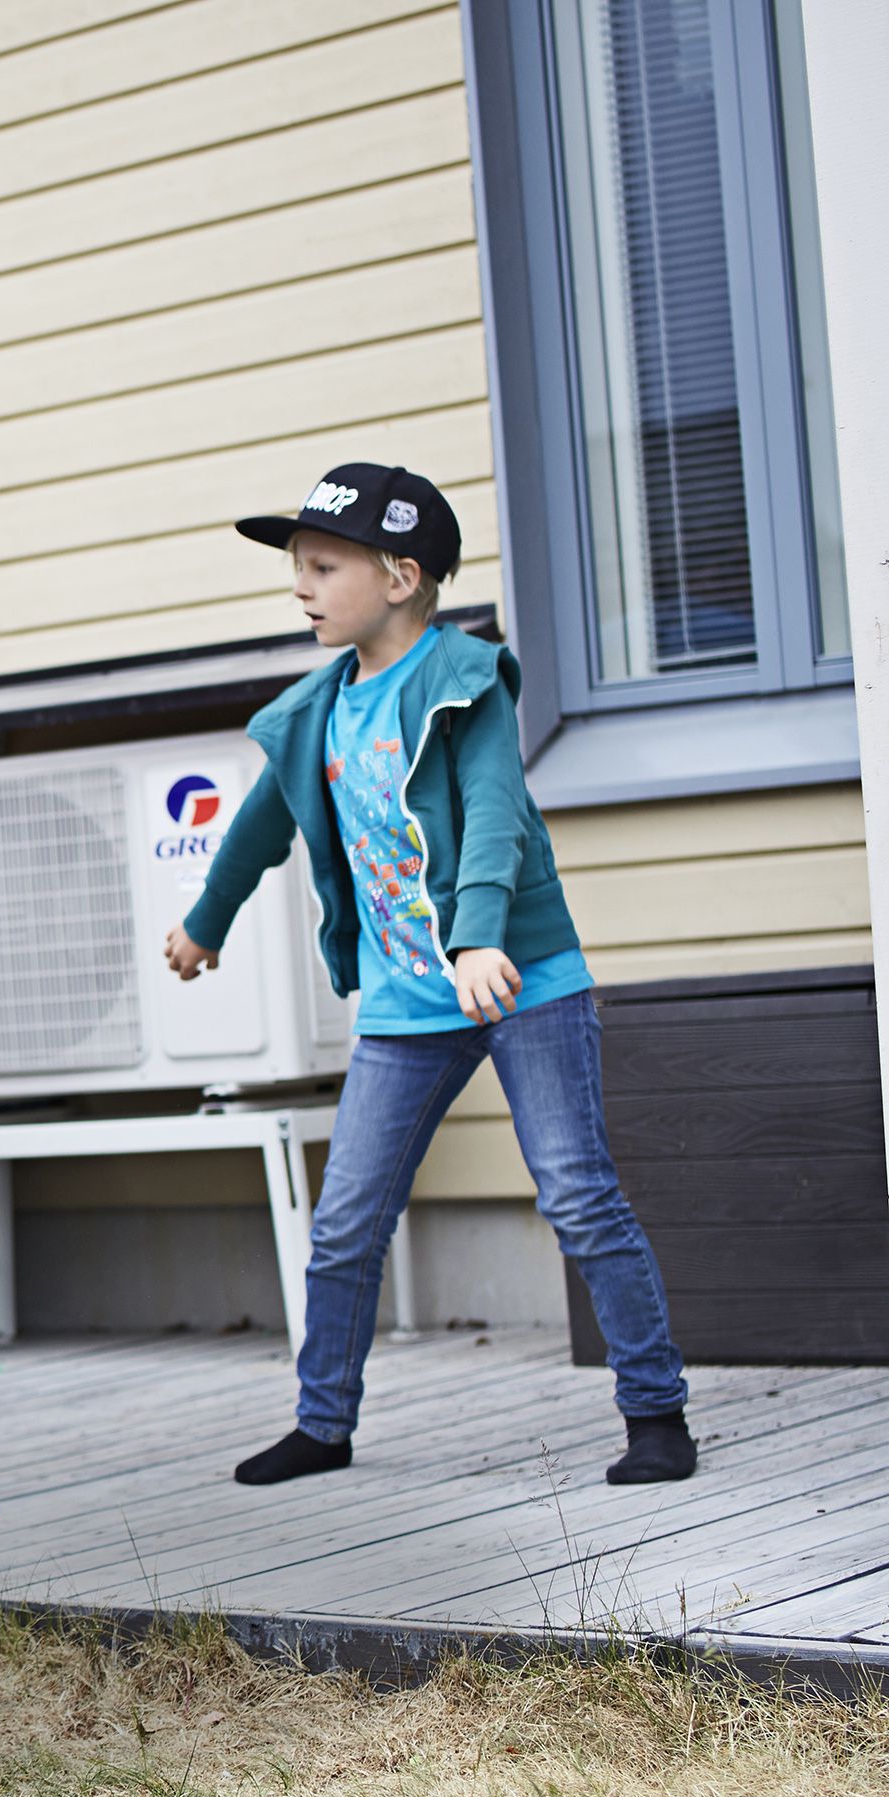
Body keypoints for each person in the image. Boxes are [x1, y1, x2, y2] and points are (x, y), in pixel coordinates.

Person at [164, 462, 695, 1488]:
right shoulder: (318, 710)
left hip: (520, 975)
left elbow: (495, 812)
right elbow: (259, 827)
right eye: (298, 568)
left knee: (578, 1195)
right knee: (346, 1219)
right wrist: (204, 922)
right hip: (408, 1004)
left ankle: (656, 1411)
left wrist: (483, 935)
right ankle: (323, 1422)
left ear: (401, 576)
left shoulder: (465, 677)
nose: (301, 586)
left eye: (323, 565)